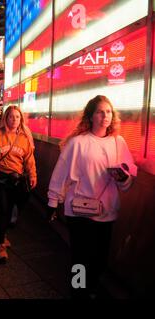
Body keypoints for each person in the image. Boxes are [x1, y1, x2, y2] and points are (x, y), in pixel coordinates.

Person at [47, 95, 137, 299]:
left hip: (106, 210)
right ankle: (78, 292)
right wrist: (53, 201)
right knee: (80, 257)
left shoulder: (118, 142)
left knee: (100, 259)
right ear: (91, 115)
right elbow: (61, 173)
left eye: (108, 112)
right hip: (78, 209)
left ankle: (90, 286)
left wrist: (123, 177)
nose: (105, 116)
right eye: (100, 111)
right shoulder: (78, 143)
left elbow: (128, 173)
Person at [0, 105, 37, 263]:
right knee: (3, 209)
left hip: (17, 180)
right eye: (11, 116)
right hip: (0, 179)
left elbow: (29, 159)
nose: (14, 120)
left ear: (21, 119)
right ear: (5, 118)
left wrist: (33, 175)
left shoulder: (24, 138)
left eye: (17, 117)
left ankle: (3, 234)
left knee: (15, 208)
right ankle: (0, 244)